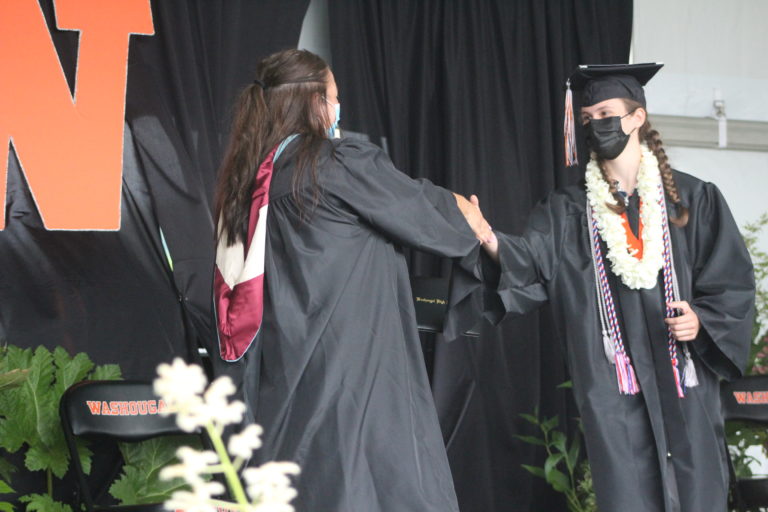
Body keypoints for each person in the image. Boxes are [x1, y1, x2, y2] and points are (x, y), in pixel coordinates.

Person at [212, 49, 490, 512]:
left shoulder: (247, 188)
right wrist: (470, 215)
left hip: (286, 394)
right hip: (357, 387)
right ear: (315, 103)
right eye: (335, 96)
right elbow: (429, 215)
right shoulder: (337, 164)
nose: (339, 109)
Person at [479, 63, 755, 512]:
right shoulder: (568, 212)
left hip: (685, 382)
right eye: (586, 119)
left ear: (636, 118)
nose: (594, 124)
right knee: (628, 495)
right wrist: (490, 240)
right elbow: (530, 262)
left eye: (605, 112)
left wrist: (701, 321)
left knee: (697, 493)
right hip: (614, 389)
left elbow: (732, 283)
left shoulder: (693, 201)